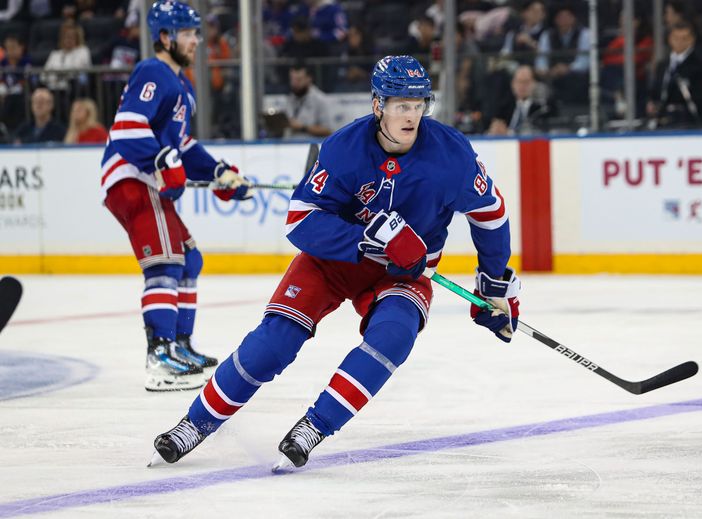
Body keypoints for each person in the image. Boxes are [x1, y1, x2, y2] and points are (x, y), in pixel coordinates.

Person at [150, 55, 520, 469]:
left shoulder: (452, 155)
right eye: (401, 105)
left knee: (394, 336)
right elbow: (299, 220)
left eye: (418, 105)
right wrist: (366, 241)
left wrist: (493, 285)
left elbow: (491, 215)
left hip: (403, 274)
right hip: (333, 261)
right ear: (378, 105)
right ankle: (195, 424)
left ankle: (315, 425)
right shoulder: (344, 147)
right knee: (273, 343)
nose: (411, 115)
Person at [100, 0, 254, 392]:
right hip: (131, 177)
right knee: (164, 262)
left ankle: (180, 345)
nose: (196, 41)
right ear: (165, 37)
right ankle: (159, 355)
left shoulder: (183, 87)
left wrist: (218, 172)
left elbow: (182, 146)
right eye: (188, 34)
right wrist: (162, 159)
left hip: (147, 179)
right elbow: (127, 129)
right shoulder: (153, 71)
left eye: (196, 33)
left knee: (188, 258)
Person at [647, 21, 702, 128]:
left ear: (692, 40)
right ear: (669, 39)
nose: (680, 42)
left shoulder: (700, 65)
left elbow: (699, 97)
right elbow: (655, 91)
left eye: (685, 38)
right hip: (660, 121)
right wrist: (651, 104)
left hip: (688, 122)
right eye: (676, 38)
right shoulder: (663, 65)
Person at [535, 4, 590, 104]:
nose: (564, 20)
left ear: (573, 18)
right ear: (555, 19)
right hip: (552, 76)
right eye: (560, 17)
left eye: (567, 16)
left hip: (577, 77)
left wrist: (567, 68)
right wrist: (547, 71)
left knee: (575, 79)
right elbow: (541, 60)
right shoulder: (547, 35)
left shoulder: (585, 34)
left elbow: (584, 62)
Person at [486, 64, 552, 135]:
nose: (522, 86)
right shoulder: (503, 107)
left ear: (534, 83)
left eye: (526, 82)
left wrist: (509, 133)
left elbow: (542, 132)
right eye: (519, 81)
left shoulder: (543, 108)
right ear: (512, 84)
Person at [286, 61, 334, 137]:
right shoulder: (290, 97)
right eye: (292, 79)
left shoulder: (320, 99)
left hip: (311, 146)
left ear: (309, 79)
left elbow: (328, 130)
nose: (294, 83)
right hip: (289, 145)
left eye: (298, 80)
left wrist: (302, 127)